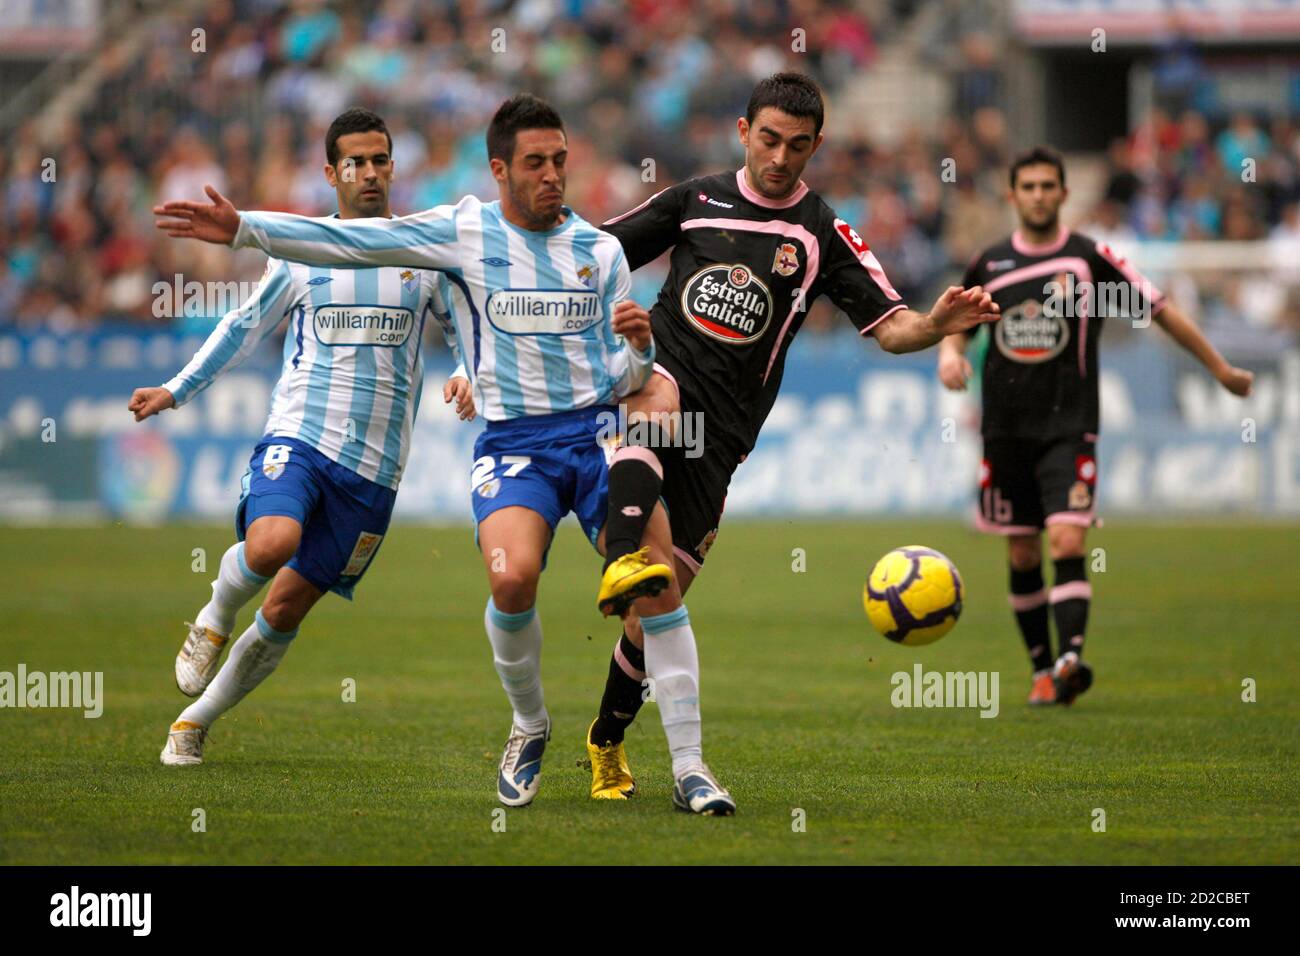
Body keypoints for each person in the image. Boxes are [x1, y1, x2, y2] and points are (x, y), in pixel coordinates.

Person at [154, 94, 739, 815]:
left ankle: (692, 768)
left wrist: (642, 350)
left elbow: (627, 378)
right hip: (513, 445)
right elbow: (350, 244)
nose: (553, 174)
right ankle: (529, 725)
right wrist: (245, 230)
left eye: (560, 160)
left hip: (593, 436)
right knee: (512, 582)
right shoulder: (460, 232)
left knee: (656, 581)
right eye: (535, 163)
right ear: (499, 169)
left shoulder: (601, 252)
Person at [584, 72, 1000, 799]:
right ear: (743, 131)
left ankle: (606, 738)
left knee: (659, 611)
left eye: (798, 146)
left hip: (724, 441)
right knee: (653, 415)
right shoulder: (694, 201)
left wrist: (937, 325)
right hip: (660, 383)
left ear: (816, 147)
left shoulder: (820, 232)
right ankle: (689, 764)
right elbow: (591, 253)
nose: (780, 157)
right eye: (769, 139)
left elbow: (892, 326)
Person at [134, 107, 473, 765]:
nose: (370, 172)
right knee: (272, 542)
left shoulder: (422, 255)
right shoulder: (303, 250)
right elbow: (242, 327)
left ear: (393, 168)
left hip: (375, 472)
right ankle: (214, 611)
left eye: (380, 160)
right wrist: (176, 389)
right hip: (301, 436)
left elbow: (466, 331)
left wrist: (466, 371)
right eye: (356, 162)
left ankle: (196, 720)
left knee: (288, 608)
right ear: (330, 172)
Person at [936, 145, 1254, 705]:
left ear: (1063, 193)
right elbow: (956, 322)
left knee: (1065, 537)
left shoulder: (1088, 261)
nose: (1037, 196)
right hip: (1005, 431)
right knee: (1022, 554)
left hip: (1070, 426)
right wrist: (949, 354)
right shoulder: (990, 264)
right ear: (1013, 196)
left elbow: (1160, 310)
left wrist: (1220, 368)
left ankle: (1069, 659)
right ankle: (1042, 672)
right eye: (1027, 187)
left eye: (1047, 186)